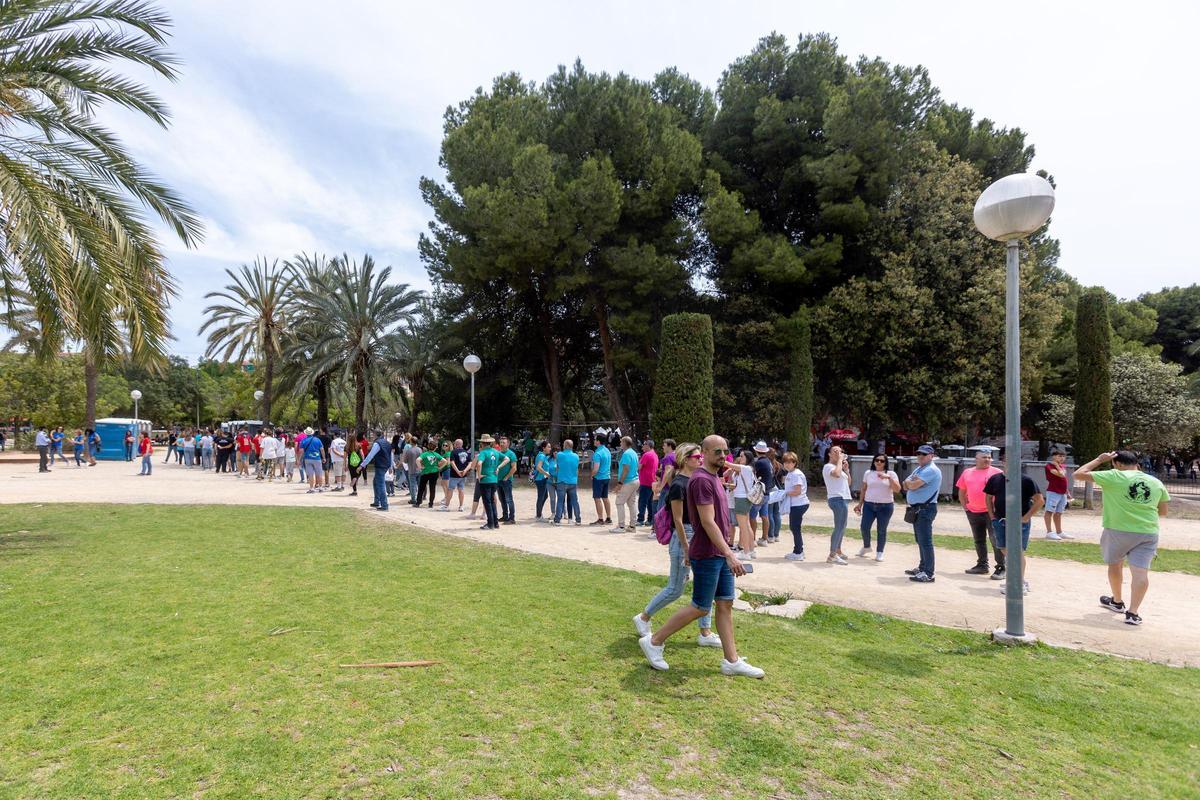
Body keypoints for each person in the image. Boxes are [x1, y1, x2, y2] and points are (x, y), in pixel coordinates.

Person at [638, 435, 763, 678]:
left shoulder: (715, 478)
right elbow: (706, 522)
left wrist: (727, 550)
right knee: (700, 607)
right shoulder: (701, 481)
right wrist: (729, 553)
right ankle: (654, 642)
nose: (722, 455)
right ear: (704, 452)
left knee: (725, 604)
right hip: (708, 553)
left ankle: (731, 661)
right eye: (717, 451)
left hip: (719, 552)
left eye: (725, 451)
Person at [633, 443, 722, 647]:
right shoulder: (679, 484)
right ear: (685, 458)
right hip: (685, 537)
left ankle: (705, 632)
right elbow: (679, 520)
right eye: (697, 456)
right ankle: (644, 617)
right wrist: (686, 548)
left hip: (700, 535)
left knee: (705, 586)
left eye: (701, 456)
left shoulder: (696, 480)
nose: (701, 459)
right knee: (675, 589)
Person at [1075, 450, 1170, 626]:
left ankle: (1117, 602)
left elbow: (1078, 474)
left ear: (1117, 464)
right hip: (1148, 531)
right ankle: (1133, 613)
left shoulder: (1115, 476)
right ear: (1136, 463)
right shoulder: (1156, 482)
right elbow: (1163, 512)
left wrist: (1099, 459)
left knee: (1115, 564)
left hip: (1118, 530)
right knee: (1141, 572)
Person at [984, 470, 1044, 596]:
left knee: (1016, 552)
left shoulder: (1026, 480)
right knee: (1005, 549)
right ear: (1003, 462)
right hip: (1000, 520)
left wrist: (1026, 518)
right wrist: (992, 516)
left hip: (1019, 522)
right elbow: (988, 496)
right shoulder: (995, 479)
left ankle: (1019, 583)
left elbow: (1039, 501)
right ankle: (1015, 580)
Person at [954, 450, 1005, 578]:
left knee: (996, 540)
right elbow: (962, 491)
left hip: (992, 512)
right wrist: (965, 507)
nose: (987, 459)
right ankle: (982, 565)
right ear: (976, 459)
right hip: (973, 511)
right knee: (979, 540)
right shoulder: (967, 472)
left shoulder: (997, 472)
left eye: (989, 457)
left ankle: (1001, 566)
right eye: (984, 457)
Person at [903, 445, 942, 583]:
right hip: (918, 509)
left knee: (925, 542)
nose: (920, 456)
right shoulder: (920, 468)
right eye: (919, 454)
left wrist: (911, 483)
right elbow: (904, 483)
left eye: (924, 454)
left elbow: (911, 485)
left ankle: (928, 573)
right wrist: (911, 483)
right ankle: (922, 567)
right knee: (920, 540)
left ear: (931, 456)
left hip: (925, 509)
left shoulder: (931, 469)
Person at [853, 455, 899, 562]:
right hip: (869, 504)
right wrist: (860, 504)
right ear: (873, 462)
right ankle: (866, 546)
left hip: (885, 506)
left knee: (881, 530)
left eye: (882, 461)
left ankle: (880, 552)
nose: (879, 462)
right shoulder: (868, 473)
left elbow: (897, 489)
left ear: (885, 463)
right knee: (864, 527)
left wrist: (888, 478)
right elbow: (864, 489)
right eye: (876, 460)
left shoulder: (891, 474)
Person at [822, 445, 852, 564]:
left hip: (843, 498)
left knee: (842, 527)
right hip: (837, 499)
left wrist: (847, 470)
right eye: (835, 451)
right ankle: (832, 555)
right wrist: (840, 460)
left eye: (841, 451)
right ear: (829, 454)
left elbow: (848, 482)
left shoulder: (838, 467)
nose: (839, 453)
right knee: (839, 527)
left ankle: (837, 551)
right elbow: (836, 474)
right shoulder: (828, 466)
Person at [727, 450, 756, 560]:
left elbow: (729, 464)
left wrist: (720, 458)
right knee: (746, 526)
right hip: (745, 499)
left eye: (742, 456)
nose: (740, 458)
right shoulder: (749, 469)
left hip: (741, 499)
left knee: (743, 527)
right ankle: (751, 550)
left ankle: (746, 552)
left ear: (748, 458)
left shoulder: (746, 468)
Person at [781, 451, 808, 561]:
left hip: (799, 504)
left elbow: (797, 491)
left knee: (795, 527)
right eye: (785, 462)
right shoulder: (791, 473)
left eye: (790, 462)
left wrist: (783, 493)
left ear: (794, 463)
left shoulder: (796, 474)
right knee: (794, 527)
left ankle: (798, 552)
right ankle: (798, 550)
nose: (787, 464)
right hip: (796, 504)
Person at [1043, 450, 1074, 540]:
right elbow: (1061, 474)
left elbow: (1063, 478)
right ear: (1054, 457)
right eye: (1060, 456)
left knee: (1059, 513)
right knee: (1049, 511)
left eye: (1063, 456)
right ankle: (1049, 532)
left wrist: (1067, 492)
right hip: (1053, 492)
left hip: (1062, 493)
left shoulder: (1062, 466)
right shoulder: (1049, 466)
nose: (1062, 458)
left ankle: (1059, 532)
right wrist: (1056, 465)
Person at [360, 429, 393, 511]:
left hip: (380, 465)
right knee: (376, 482)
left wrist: (362, 465)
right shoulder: (387, 442)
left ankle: (384, 505)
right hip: (386, 464)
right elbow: (390, 455)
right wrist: (391, 467)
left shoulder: (377, 444)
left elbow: (370, 455)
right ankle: (377, 501)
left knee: (380, 484)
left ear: (375, 435)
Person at [475, 434, 503, 530]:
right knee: (492, 501)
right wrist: (498, 467)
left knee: (487, 502)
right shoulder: (495, 451)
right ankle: (495, 523)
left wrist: (479, 475)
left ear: (482, 443)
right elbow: (507, 459)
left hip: (485, 480)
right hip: (494, 479)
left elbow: (479, 464)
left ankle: (490, 524)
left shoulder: (483, 452)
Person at [612, 436, 639, 532]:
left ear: (624, 443)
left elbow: (626, 469)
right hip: (635, 480)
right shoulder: (633, 453)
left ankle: (621, 526)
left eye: (621, 442)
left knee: (619, 502)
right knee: (631, 504)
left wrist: (620, 483)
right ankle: (632, 526)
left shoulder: (626, 454)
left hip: (628, 481)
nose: (620, 444)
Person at [750, 441, 774, 546]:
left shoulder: (759, 462)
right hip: (767, 492)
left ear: (756, 451)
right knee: (765, 516)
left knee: (752, 516)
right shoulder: (768, 461)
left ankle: (752, 538)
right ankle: (764, 538)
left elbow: (751, 472)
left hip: (759, 493)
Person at [553, 439, 581, 525]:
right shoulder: (576, 456)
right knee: (574, 501)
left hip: (562, 480)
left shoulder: (560, 455)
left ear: (565, 446)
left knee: (560, 500)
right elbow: (576, 469)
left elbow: (557, 467)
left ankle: (557, 520)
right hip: (573, 481)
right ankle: (578, 519)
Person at [590, 437, 613, 526]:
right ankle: (608, 518)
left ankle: (600, 519)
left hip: (599, 478)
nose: (594, 441)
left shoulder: (597, 453)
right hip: (607, 476)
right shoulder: (607, 451)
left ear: (598, 442)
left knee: (597, 498)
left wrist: (591, 475)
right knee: (605, 498)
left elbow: (596, 469)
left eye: (595, 440)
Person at [636, 439, 659, 526]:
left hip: (645, 482)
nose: (642, 447)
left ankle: (640, 519)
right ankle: (650, 519)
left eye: (643, 445)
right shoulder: (655, 454)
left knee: (642, 501)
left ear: (648, 446)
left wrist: (638, 461)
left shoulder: (646, 455)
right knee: (650, 502)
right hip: (652, 481)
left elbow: (639, 467)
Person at [413, 441, 442, 508]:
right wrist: (440, 467)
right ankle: (431, 504)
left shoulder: (425, 454)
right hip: (434, 472)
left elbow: (417, 460)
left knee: (421, 488)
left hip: (425, 472)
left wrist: (420, 467)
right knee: (432, 488)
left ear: (428, 446)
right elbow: (445, 461)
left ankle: (418, 503)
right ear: (435, 448)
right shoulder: (436, 454)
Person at [497, 436, 518, 523]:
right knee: (502, 499)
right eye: (501, 442)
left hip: (506, 481)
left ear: (508, 444)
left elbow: (514, 468)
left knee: (509, 499)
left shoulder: (511, 454)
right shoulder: (498, 453)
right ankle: (505, 516)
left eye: (503, 442)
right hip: (498, 480)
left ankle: (512, 518)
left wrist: (506, 477)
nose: (501, 444)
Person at [533, 441, 556, 521]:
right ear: (543, 448)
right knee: (541, 497)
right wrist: (547, 474)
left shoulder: (543, 456)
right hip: (541, 479)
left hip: (542, 479)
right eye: (548, 447)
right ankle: (539, 516)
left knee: (544, 496)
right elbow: (539, 467)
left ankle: (539, 514)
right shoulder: (542, 456)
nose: (550, 449)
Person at [448, 438, 471, 512]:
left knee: (450, 489)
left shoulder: (453, 452)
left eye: (454, 443)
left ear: (456, 444)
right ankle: (461, 506)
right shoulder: (466, 452)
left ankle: (446, 505)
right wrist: (465, 470)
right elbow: (470, 463)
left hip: (454, 474)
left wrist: (458, 471)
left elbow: (452, 462)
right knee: (461, 490)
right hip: (463, 475)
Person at [301, 427, 326, 494]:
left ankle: (312, 488)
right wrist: (324, 458)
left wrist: (299, 459)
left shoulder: (303, 441)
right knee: (319, 473)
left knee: (310, 474)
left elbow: (301, 451)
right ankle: (320, 487)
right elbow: (322, 449)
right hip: (317, 458)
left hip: (307, 458)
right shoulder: (317, 440)